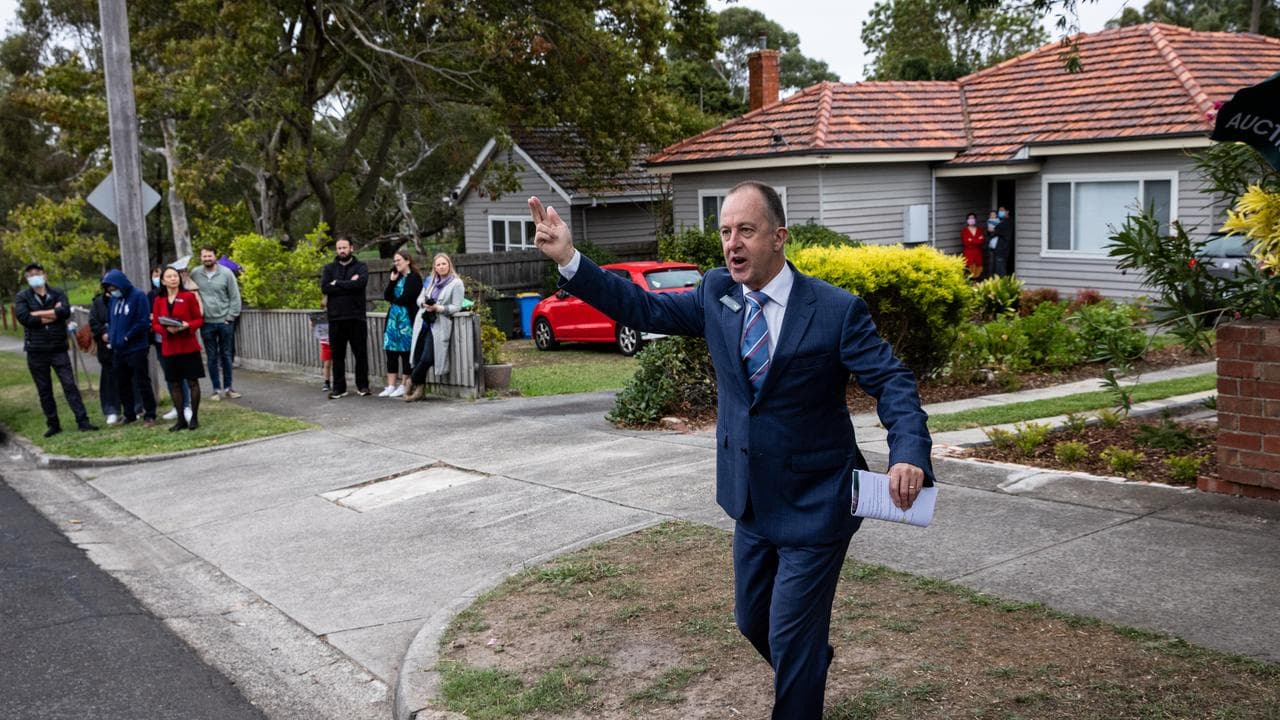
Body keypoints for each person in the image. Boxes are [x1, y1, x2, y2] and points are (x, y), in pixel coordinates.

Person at [528, 182, 933, 720]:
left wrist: (908, 452)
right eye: (725, 231)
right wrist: (570, 260)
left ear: (779, 237)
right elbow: (643, 308)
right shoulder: (716, 295)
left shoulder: (835, 311)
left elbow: (893, 383)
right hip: (751, 501)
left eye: (746, 230)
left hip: (818, 503)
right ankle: (808, 663)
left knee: (790, 635)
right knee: (752, 620)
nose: (732, 243)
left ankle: (800, 674)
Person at [15, 263, 98, 437]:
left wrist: (37, 313)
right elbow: (25, 318)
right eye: (29, 274)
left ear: (44, 275)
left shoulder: (57, 292)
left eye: (36, 273)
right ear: (26, 278)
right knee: (44, 389)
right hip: (36, 350)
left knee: (69, 385)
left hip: (58, 347)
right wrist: (52, 314)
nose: (33, 277)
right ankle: (53, 424)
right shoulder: (23, 296)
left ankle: (82, 420)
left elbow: (65, 312)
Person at [402, 253, 464, 402]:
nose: (441, 267)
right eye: (438, 265)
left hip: (438, 324)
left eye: (444, 264)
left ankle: (411, 380)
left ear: (449, 265)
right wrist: (424, 304)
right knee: (417, 357)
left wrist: (438, 307)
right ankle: (420, 391)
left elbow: (457, 306)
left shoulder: (456, 283)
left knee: (427, 358)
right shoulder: (431, 281)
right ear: (434, 267)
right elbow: (419, 299)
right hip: (423, 322)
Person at [102, 269, 158, 426]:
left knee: (142, 381)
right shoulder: (113, 300)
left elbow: (143, 321)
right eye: (110, 290)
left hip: (136, 346)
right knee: (122, 382)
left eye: (114, 288)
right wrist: (111, 335)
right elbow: (111, 320)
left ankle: (150, 413)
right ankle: (129, 413)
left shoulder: (138, 296)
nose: (113, 292)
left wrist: (127, 336)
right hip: (118, 348)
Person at [151, 267, 205, 431]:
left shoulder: (188, 296)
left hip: (188, 345)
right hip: (170, 347)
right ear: (163, 281)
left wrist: (188, 326)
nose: (174, 278)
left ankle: (194, 417)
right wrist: (165, 329)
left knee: (192, 382)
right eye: (169, 276)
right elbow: (155, 324)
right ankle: (181, 419)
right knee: (174, 384)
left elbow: (199, 319)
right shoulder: (159, 300)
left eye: (176, 276)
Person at [320, 235, 371, 399]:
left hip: (356, 318)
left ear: (351, 248)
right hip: (335, 319)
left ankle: (363, 386)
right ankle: (339, 388)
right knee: (338, 355)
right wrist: (349, 283)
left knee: (360, 354)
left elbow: (360, 284)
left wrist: (338, 283)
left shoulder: (361, 266)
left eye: (345, 247)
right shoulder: (329, 268)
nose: (342, 250)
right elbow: (325, 288)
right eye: (339, 248)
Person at [191, 245, 243, 400]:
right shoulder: (195, 273)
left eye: (210, 256)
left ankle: (228, 387)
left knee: (226, 355)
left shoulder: (226, 273)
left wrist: (230, 317)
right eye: (204, 256)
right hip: (206, 322)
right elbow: (190, 292)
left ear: (215, 256)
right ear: (201, 257)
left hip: (225, 321)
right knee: (211, 357)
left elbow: (235, 297)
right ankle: (216, 389)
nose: (207, 259)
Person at [380, 250, 423, 397]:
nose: (396, 263)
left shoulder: (414, 278)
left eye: (398, 260)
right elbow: (386, 296)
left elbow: (406, 299)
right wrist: (392, 281)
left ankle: (404, 385)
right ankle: (391, 386)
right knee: (391, 353)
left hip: (406, 321)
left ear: (407, 261)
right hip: (392, 321)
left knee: (405, 353)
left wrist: (393, 300)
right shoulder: (396, 277)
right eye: (394, 261)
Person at [88, 288, 120, 425]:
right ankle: (111, 410)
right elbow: (93, 322)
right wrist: (102, 333)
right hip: (105, 346)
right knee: (108, 378)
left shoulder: (124, 299)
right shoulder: (98, 303)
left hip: (122, 343)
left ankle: (135, 407)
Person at [988, 206, 1013, 277]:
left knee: (1000, 271)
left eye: (1002, 210)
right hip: (998, 249)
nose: (1000, 212)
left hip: (1002, 250)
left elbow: (994, 231)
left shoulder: (1007, 222)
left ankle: (1002, 285)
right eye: (999, 211)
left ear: (1007, 211)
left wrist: (992, 230)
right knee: (996, 269)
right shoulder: (1000, 221)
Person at [961, 212, 986, 280]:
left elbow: (982, 241)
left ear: (975, 219)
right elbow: (966, 242)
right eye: (969, 218)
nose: (971, 219)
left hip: (978, 254)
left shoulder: (979, 230)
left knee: (978, 273)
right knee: (969, 273)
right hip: (968, 254)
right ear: (967, 220)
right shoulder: (964, 231)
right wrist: (977, 240)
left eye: (973, 218)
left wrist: (971, 240)